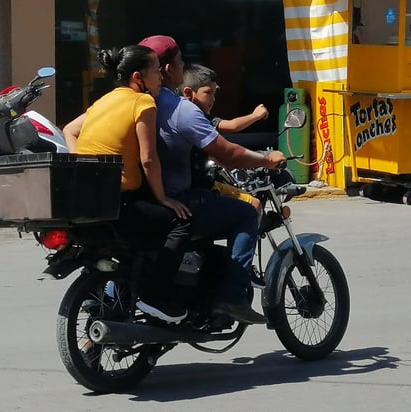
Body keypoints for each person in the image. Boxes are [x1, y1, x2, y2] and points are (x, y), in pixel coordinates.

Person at [138, 35, 286, 324]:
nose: (183, 67)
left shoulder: (126, 101)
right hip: (177, 198)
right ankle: (232, 297)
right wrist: (266, 160)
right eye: (181, 62)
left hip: (137, 199)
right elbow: (228, 154)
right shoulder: (180, 109)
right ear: (168, 71)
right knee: (245, 212)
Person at [63, 44, 191, 324]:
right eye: (156, 72)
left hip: (90, 201)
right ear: (138, 78)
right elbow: (148, 159)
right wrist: (164, 198)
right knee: (179, 221)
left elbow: (69, 130)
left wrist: (84, 164)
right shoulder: (143, 102)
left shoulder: (103, 102)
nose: (160, 78)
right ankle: (154, 296)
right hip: (119, 201)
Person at [180, 63, 270, 289]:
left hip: (194, 185)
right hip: (197, 191)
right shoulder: (195, 118)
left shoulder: (181, 112)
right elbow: (230, 133)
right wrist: (256, 116)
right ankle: (239, 276)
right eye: (207, 93)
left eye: (214, 92)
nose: (212, 99)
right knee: (252, 206)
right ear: (189, 93)